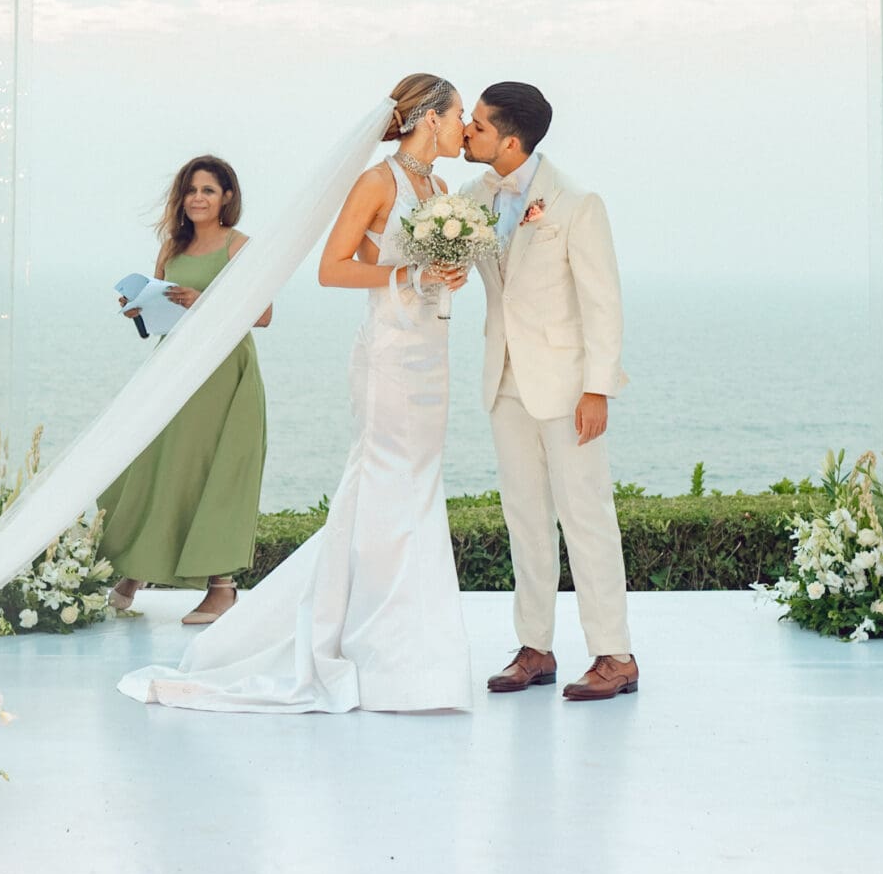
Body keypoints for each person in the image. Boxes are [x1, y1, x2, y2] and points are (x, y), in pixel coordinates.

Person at [119, 73, 473, 713]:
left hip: (431, 352)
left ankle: (411, 639)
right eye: (457, 115)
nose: (463, 126)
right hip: (390, 354)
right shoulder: (378, 182)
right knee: (384, 477)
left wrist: (451, 270)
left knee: (419, 486)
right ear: (428, 117)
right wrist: (410, 268)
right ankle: (369, 636)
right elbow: (332, 268)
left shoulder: (443, 189)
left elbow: (434, 277)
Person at [460, 82, 638, 702]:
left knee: (586, 517)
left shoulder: (576, 204)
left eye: (477, 126)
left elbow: (603, 304)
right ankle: (535, 647)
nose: (466, 131)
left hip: (566, 389)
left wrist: (598, 389)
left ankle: (615, 655)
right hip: (504, 381)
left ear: (511, 140)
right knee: (524, 519)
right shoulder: (470, 198)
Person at [100, 155, 273, 627]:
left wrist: (203, 302)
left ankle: (221, 589)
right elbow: (162, 315)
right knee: (151, 465)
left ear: (227, 197)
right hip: (172, 369)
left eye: (208, 190)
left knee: (211, 473)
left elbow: (263, 315)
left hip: (221, 374)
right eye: (192, 190)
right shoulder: (172, 248)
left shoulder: (240, 246)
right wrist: (140, 310)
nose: (198, 198)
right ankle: (132, 573)